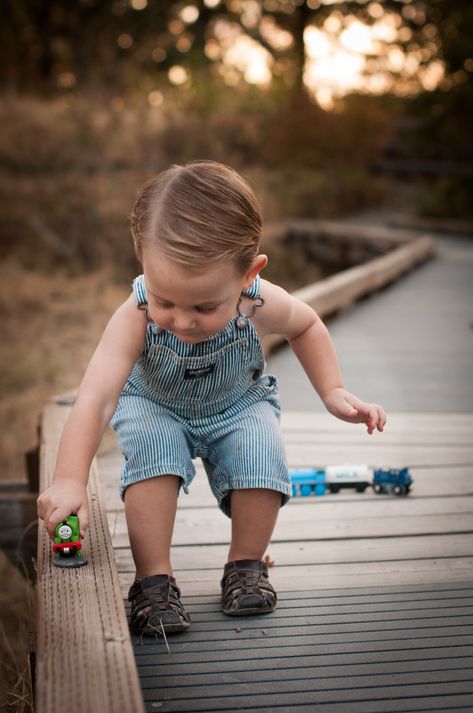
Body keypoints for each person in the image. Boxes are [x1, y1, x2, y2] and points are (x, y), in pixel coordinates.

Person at [37, 160, 386, 636]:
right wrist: (69, 480)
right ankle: (153, 582)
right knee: (153, 458)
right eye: (165, 301)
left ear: (249, 274)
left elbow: (306, 324)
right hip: (156, 403)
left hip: (237, 401)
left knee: (261, 449)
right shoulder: (135, 314)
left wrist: (333, 390)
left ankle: (246, 567)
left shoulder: (258, 299)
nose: (181, 321)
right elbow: (96, 397)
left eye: (204, 306)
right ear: (143, 264)